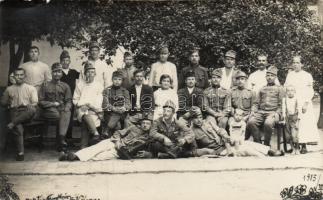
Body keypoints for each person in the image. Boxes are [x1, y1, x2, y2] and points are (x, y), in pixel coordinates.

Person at [59, 113, 154, 161]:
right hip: (114, 142)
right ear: (140, 124)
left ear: (151, 125)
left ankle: (72, 157)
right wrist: (117, 141)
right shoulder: (133, 127)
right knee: (97, 148)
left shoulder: (149, 136)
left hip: (121, 152)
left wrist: (148, 154)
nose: (145, 125)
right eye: (143, 123)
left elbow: (152, 150)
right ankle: (73, 156)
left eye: (147, 124)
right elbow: (118, 132)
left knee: (100, 157)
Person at [191, 107, 269, 157]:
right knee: (245, 149)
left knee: (247, 143)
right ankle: (264, 158)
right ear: (191, 119)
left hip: (227, 143)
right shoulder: (192, 132)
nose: (199, 120)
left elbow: (220, 130)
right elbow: (194, 150)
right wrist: (206, 151)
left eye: (200, 117)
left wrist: (225, 136)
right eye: (196, 118)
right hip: (220, 151)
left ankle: (269, 151)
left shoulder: (208, 122)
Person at [284, 55, 320, 154]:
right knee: (292, 124)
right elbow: (286, 88)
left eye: (298, 63)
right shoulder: (290, 75)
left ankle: (303, 145)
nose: (295, 65)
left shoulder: (307, 75)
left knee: (303, 123)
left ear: (302, 64)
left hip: (304, 101)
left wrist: (306, 103)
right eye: (294, 62)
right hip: (292, 102)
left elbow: (310, 90)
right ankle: (294, 145)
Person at [1, 68, 38, 161]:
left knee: (32, 109)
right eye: (17, 75)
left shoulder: (31, 88)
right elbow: (3, 103)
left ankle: (13, 123)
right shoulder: (9, 89)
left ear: (25, 76)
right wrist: (8, 101)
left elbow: (35, 102)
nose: (19, 77)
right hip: (15, 111)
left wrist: (27, 105)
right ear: (14, 76)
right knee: (18, 126)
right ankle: (20, 153)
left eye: (21, 75)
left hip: (27, 112)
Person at [246, 66, 285, 156]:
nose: (269, 77)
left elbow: (282, 104)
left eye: (272, 75)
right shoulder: (262, 88)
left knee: (268, 123)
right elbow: (256, 103)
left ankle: (266, 145)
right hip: (261, 112)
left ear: (275, 77)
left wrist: (276, 113)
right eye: (268, 75)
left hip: (273, 112)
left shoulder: (280, 88)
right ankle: (258, 144)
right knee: (251, 122)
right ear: (265, 77)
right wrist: (253, 111)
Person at [38, 63, 72, 151]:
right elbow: (40, 101)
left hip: (61, 109)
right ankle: (62, 141)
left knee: (66, 112)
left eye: (59, 72)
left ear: (61, 73)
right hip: (48, 110)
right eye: (55, 72)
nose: (57, 74)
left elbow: (69, 100)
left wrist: (67, 107)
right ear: (51, 73)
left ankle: (61, 140)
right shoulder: (45, 85)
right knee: (57, 115)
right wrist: (52, 104)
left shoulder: (65, 86)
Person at [73, 62, 104, 148]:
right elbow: (75, 99)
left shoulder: (99, 85)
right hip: (81, 109)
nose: (90, 74)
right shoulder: (80, 85)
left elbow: (99, 100)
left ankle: (85, 143)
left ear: (95, 74)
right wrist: (82, 105)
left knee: (87, 118)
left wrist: (90, 106)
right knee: (84, 114)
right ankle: (95, 134)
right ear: (85, 73)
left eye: (92, 72)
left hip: (94, 110)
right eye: (88, 72)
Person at [102, 70, 131, 138]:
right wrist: (114, 109)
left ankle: (107, 130)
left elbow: (128, 105)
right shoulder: (107, 90)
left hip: (122, 113)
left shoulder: (125, 91)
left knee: (120, 116)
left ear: (122, 81)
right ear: (112, 79)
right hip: (109, 113)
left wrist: (124, 108)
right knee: (118, 125)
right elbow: (105, 105)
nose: (117, 81)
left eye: (119, 79)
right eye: (115, 79)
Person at [228, 70, 256, 139]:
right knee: (231, 123)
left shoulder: (251, 92)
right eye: (238, 79)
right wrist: (234, 115)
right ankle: (233, 140)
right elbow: (229, 106)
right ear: (235, 81)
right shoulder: (231, 92)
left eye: (242, 79)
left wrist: (246, 117)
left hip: (246, 116)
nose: (240, 81)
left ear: (246, 80)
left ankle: (255, 141)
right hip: (234, 116)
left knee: (251, 123)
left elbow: (254, 107)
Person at [59, 50, 80, 140]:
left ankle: (69, 139)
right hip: (60, 98)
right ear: (60, 61)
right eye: (63, 60)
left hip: (70, 98)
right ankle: (60, 139)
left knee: (70, 119)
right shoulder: (58, 72)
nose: (65, 62)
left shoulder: (73, 72)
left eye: (67, 60)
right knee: (60, 119)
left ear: (69, 61)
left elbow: (83, 77)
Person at [282, 85, 300, 154]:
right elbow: (284, 109)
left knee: (294, 135)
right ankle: (293, 148)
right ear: (286, 92)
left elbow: (299, 110)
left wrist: (298, 120)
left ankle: (297, 148)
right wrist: (283, 118)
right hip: (287, 118)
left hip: (294, 119)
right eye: (288, 90)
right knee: (288, 135)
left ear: (294, 91)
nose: (290, 92)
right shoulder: (285, 99)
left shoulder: (296, 99)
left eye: (292, 90)